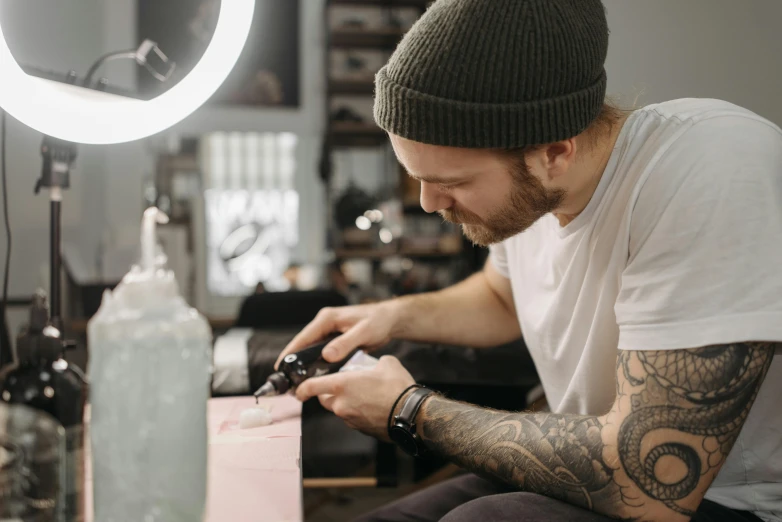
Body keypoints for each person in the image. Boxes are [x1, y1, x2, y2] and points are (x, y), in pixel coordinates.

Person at [277, 1, 782, 520]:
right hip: (596, 471)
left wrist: (410, 410)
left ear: (554, 152)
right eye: (417, 176)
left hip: (712, 499)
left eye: (451, 183)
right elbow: (502, 297)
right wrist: (393, 316)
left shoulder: (709, 170)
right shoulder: (531, 192)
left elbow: (652, 479)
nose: (428, 203)